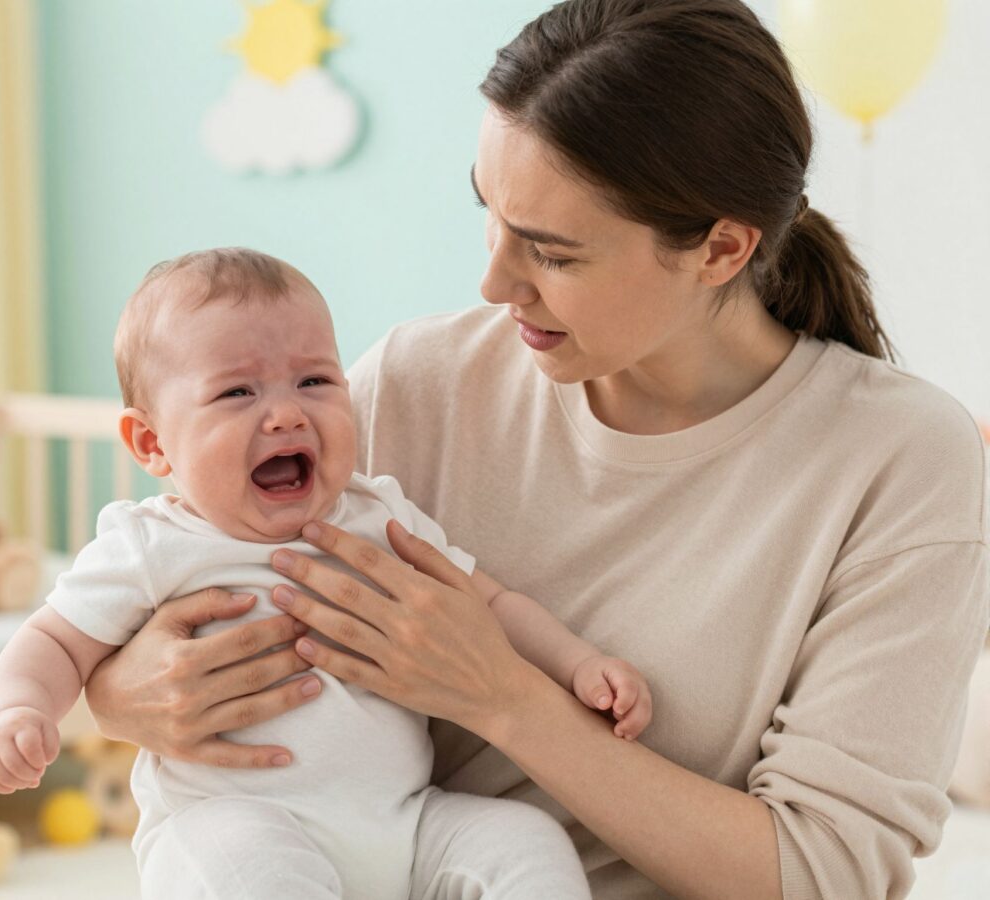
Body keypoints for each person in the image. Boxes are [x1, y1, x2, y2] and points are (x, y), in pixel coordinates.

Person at [83, 1, 990, 897]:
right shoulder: (416, 380)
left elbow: (823, 874)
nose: (492, 281)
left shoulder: (901, 459)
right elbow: (177, 583)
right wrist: (118, 691)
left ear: (720, 249)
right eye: (492, 215)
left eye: (551, 254)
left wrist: (504, 698)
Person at [0, 247, 655, 899]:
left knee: (523, 842)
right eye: (237, 392)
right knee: (251, 872)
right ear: (152, 442)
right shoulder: (151, 545)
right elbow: (56, 642)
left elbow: (491, 604)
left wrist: (577, 663)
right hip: (234, 820)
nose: (285, 412)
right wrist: (20, 709)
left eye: (315, 381)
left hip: (405, 823)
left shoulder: (377, 512)